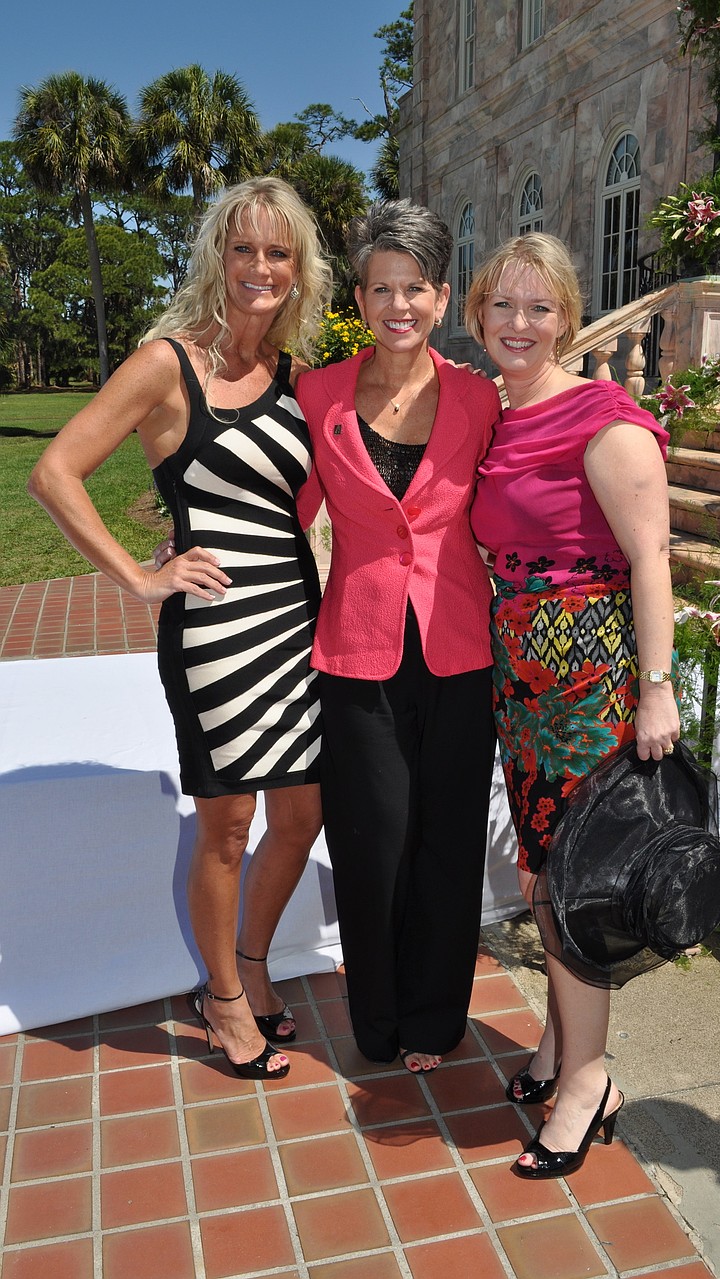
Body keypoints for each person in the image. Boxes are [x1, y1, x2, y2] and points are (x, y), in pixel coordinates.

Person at [28, 177, 333, 1080]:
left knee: (303, 816)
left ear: (298, 269)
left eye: (279, 253)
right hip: (212, 631)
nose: (261, 268)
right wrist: (142, 577)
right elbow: (55, 471)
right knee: (228, 824)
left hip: (293, 621)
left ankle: (247, 959)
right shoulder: (167, 362)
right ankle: (227, 1000)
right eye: (245, 249)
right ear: (218, 257)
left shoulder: (294, 377)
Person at [466, 233, 680, 1176]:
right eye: (503, 307)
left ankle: (586, 1081)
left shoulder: (604, 415)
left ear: (568, 316)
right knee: (545, 877)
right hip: (524, 682)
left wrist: (658, 690)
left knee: (577, 883)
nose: (520, 324)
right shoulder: (496, 417)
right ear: (478, 317)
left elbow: (652, 558)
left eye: (539, 308)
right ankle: (562, 1043)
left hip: (590, 682)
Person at [295, 200, 502, 1073]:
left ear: (443, 297)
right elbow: (287, 507)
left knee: (450, 840)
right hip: (358, 647)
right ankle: (376, 1023)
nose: (399, 306)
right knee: (373, 841)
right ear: (360, 295)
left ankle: (432, 1020)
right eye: (382, 288)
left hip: (460, 645)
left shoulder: (480, 397)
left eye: (415, 288)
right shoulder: (317, 393)